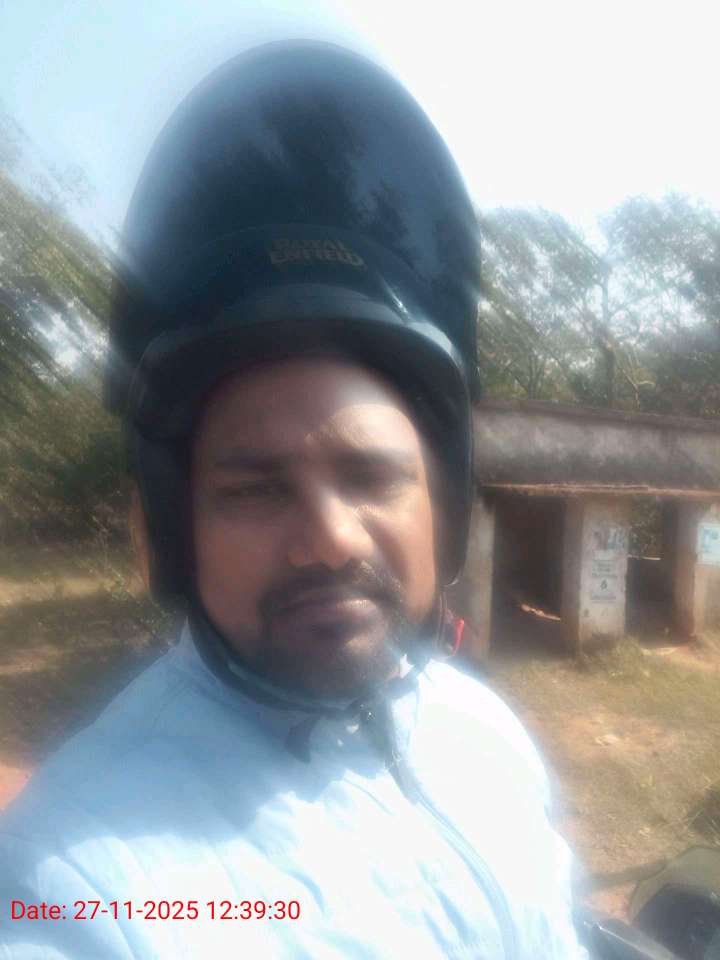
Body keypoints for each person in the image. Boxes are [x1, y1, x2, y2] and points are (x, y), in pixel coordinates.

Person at [0, 39, 588, 959]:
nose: (329, 539)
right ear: (174, 530)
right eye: (255, 490)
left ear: (440, 508)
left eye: (372, 478)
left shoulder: (484, 735)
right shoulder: (82, 889)